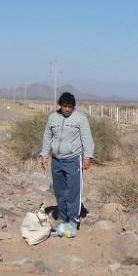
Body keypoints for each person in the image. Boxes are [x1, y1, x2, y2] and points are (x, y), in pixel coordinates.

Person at [39, 92, 94, 231]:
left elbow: (87, 138)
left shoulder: (80, 118)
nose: (67, 109)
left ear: (73, 106)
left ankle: (73, 221)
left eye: (70, 106)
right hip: (56, 160)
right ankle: (63, 219)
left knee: (73, 192)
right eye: (65, 106)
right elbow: (47, 136)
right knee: (60, 192)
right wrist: (44, 155)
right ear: (60, 105)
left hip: (73, 160)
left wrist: (88, 157)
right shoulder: (53, 118)